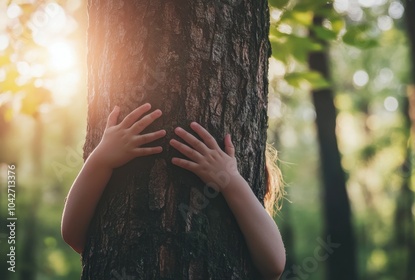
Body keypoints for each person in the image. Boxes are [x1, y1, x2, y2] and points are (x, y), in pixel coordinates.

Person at [61, 103, 286, 280]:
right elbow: (74, 235)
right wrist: (100, 160)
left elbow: (274, 265)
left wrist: (232, 181)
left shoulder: (255, 234)